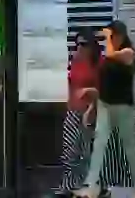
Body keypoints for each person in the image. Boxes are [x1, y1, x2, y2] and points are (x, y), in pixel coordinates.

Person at [78, 21, 135, 198]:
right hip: (105, 104)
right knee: (99, 143)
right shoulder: (108, 57)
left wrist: (107, 37)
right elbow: (103, 84)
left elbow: (110, 54)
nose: (114, 39)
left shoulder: (129, 53)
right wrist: (92, 107)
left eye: (116, 36)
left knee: (129, 147)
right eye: (113, 36)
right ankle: (90, 186)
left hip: (123, 106)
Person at [55, 31, 101, 196]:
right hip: (73, 110)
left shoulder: (99, 65)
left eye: (84, 44)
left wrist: (91, 108)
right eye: (78, 44)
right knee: (69, 150)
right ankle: (68, 185)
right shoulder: (75, 62)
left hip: (90, 112)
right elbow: (70, 83)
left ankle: (93, 187)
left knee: (87, 152)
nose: (80, 47)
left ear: (91, 46)